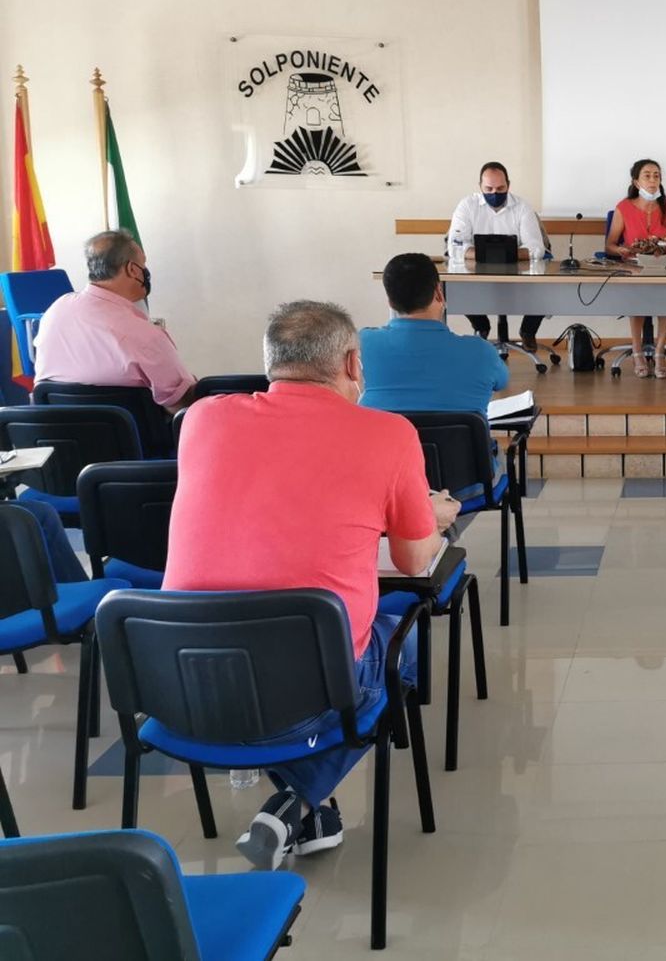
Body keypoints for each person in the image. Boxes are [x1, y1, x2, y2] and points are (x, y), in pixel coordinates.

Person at [163, 300, 460, 870]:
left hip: (181, 685)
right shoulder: (388, 433)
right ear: (352, 363)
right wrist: (434, 516)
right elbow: (412, 558)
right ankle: (298, 800)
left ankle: (314, 818)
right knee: (403, 641)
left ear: (270, 362)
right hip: (305, 698)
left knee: (299, 637)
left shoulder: (201, 419)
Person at [32, 230, 196, 413]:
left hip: (60, 429)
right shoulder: (145, 335)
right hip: (137, 432)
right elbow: (182, 403)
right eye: (143, 264)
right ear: (132, 269)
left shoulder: (55, 311)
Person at [361, 253, 510, 416]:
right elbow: (501, 382)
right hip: (461, 433)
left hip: (385, 434)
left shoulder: (362, 345)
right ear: (439, 292)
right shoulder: (482, 352)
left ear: (390, 301)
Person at [446, 161, 549, 349]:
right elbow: (455, 247)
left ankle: (528, 331)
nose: (495, 193)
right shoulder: (467, 206)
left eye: (500, 188)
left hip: (518, 275)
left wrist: (490, 254)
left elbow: (536, 248)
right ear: (480, 186)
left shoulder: (523, 207)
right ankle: (481, 327)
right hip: (476, 275)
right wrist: (500, 253)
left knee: (546, 288)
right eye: (489, 189)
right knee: (455, 288)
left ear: (508, 185)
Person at [604, 158, 666, 379]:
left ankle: (659, 351)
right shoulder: (624, 207)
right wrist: (622, 250)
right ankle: (637, 351)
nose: (652, 180)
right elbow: (609, 245)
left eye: (656, 176)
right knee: (637, 297)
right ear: (636, 182)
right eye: (647, 176)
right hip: (634, 265)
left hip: (663, 265)